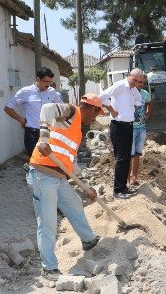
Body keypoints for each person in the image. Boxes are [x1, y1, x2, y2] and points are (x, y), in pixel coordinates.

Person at [26, 94, 105, 280]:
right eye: (96, 115)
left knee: (75, 205)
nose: (94, 119)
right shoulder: (71, 111)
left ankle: (88, 240)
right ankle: (49, 268)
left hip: (59, 177)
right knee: (48, 223)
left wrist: (86, 187)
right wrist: (44, 138)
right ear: (92, 109)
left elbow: (71, 163)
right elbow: (47, 109)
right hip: (42, 175)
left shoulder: (77, 131)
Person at [99, 69, 145, 199]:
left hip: (129, 126)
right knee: (121, 158)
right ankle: (118, 190)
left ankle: (124, 187)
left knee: (126, 158)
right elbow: (102, 96)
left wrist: (134, 107)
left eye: (140, 81)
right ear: (129, 76)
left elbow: (139, 100)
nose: (137, 82)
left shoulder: (133, 90)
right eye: (135, 80)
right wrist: (112, 110)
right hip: (118, 126)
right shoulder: (120, 86)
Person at [4, 67, 63, 157]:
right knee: (35, 163)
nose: (48, 85)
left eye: (50, 82)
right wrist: (21, 119)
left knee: (50, 163)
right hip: (32, 134)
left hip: (49, 134)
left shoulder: (52, 92)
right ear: (38, 79)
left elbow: (61, 108)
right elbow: (8, 107)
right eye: (45, 82)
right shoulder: (26, 92)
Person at [128, 85, 152, 188]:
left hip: (141, 128)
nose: (139, 84)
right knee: (129, 155)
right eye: (137, 81)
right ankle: (127, 178)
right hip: (130, 128)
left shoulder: (145, 94)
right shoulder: (127, 93)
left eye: (142, 82)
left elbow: (150, 102)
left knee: (137, 154)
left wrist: (148, 112)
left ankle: (134, 177)